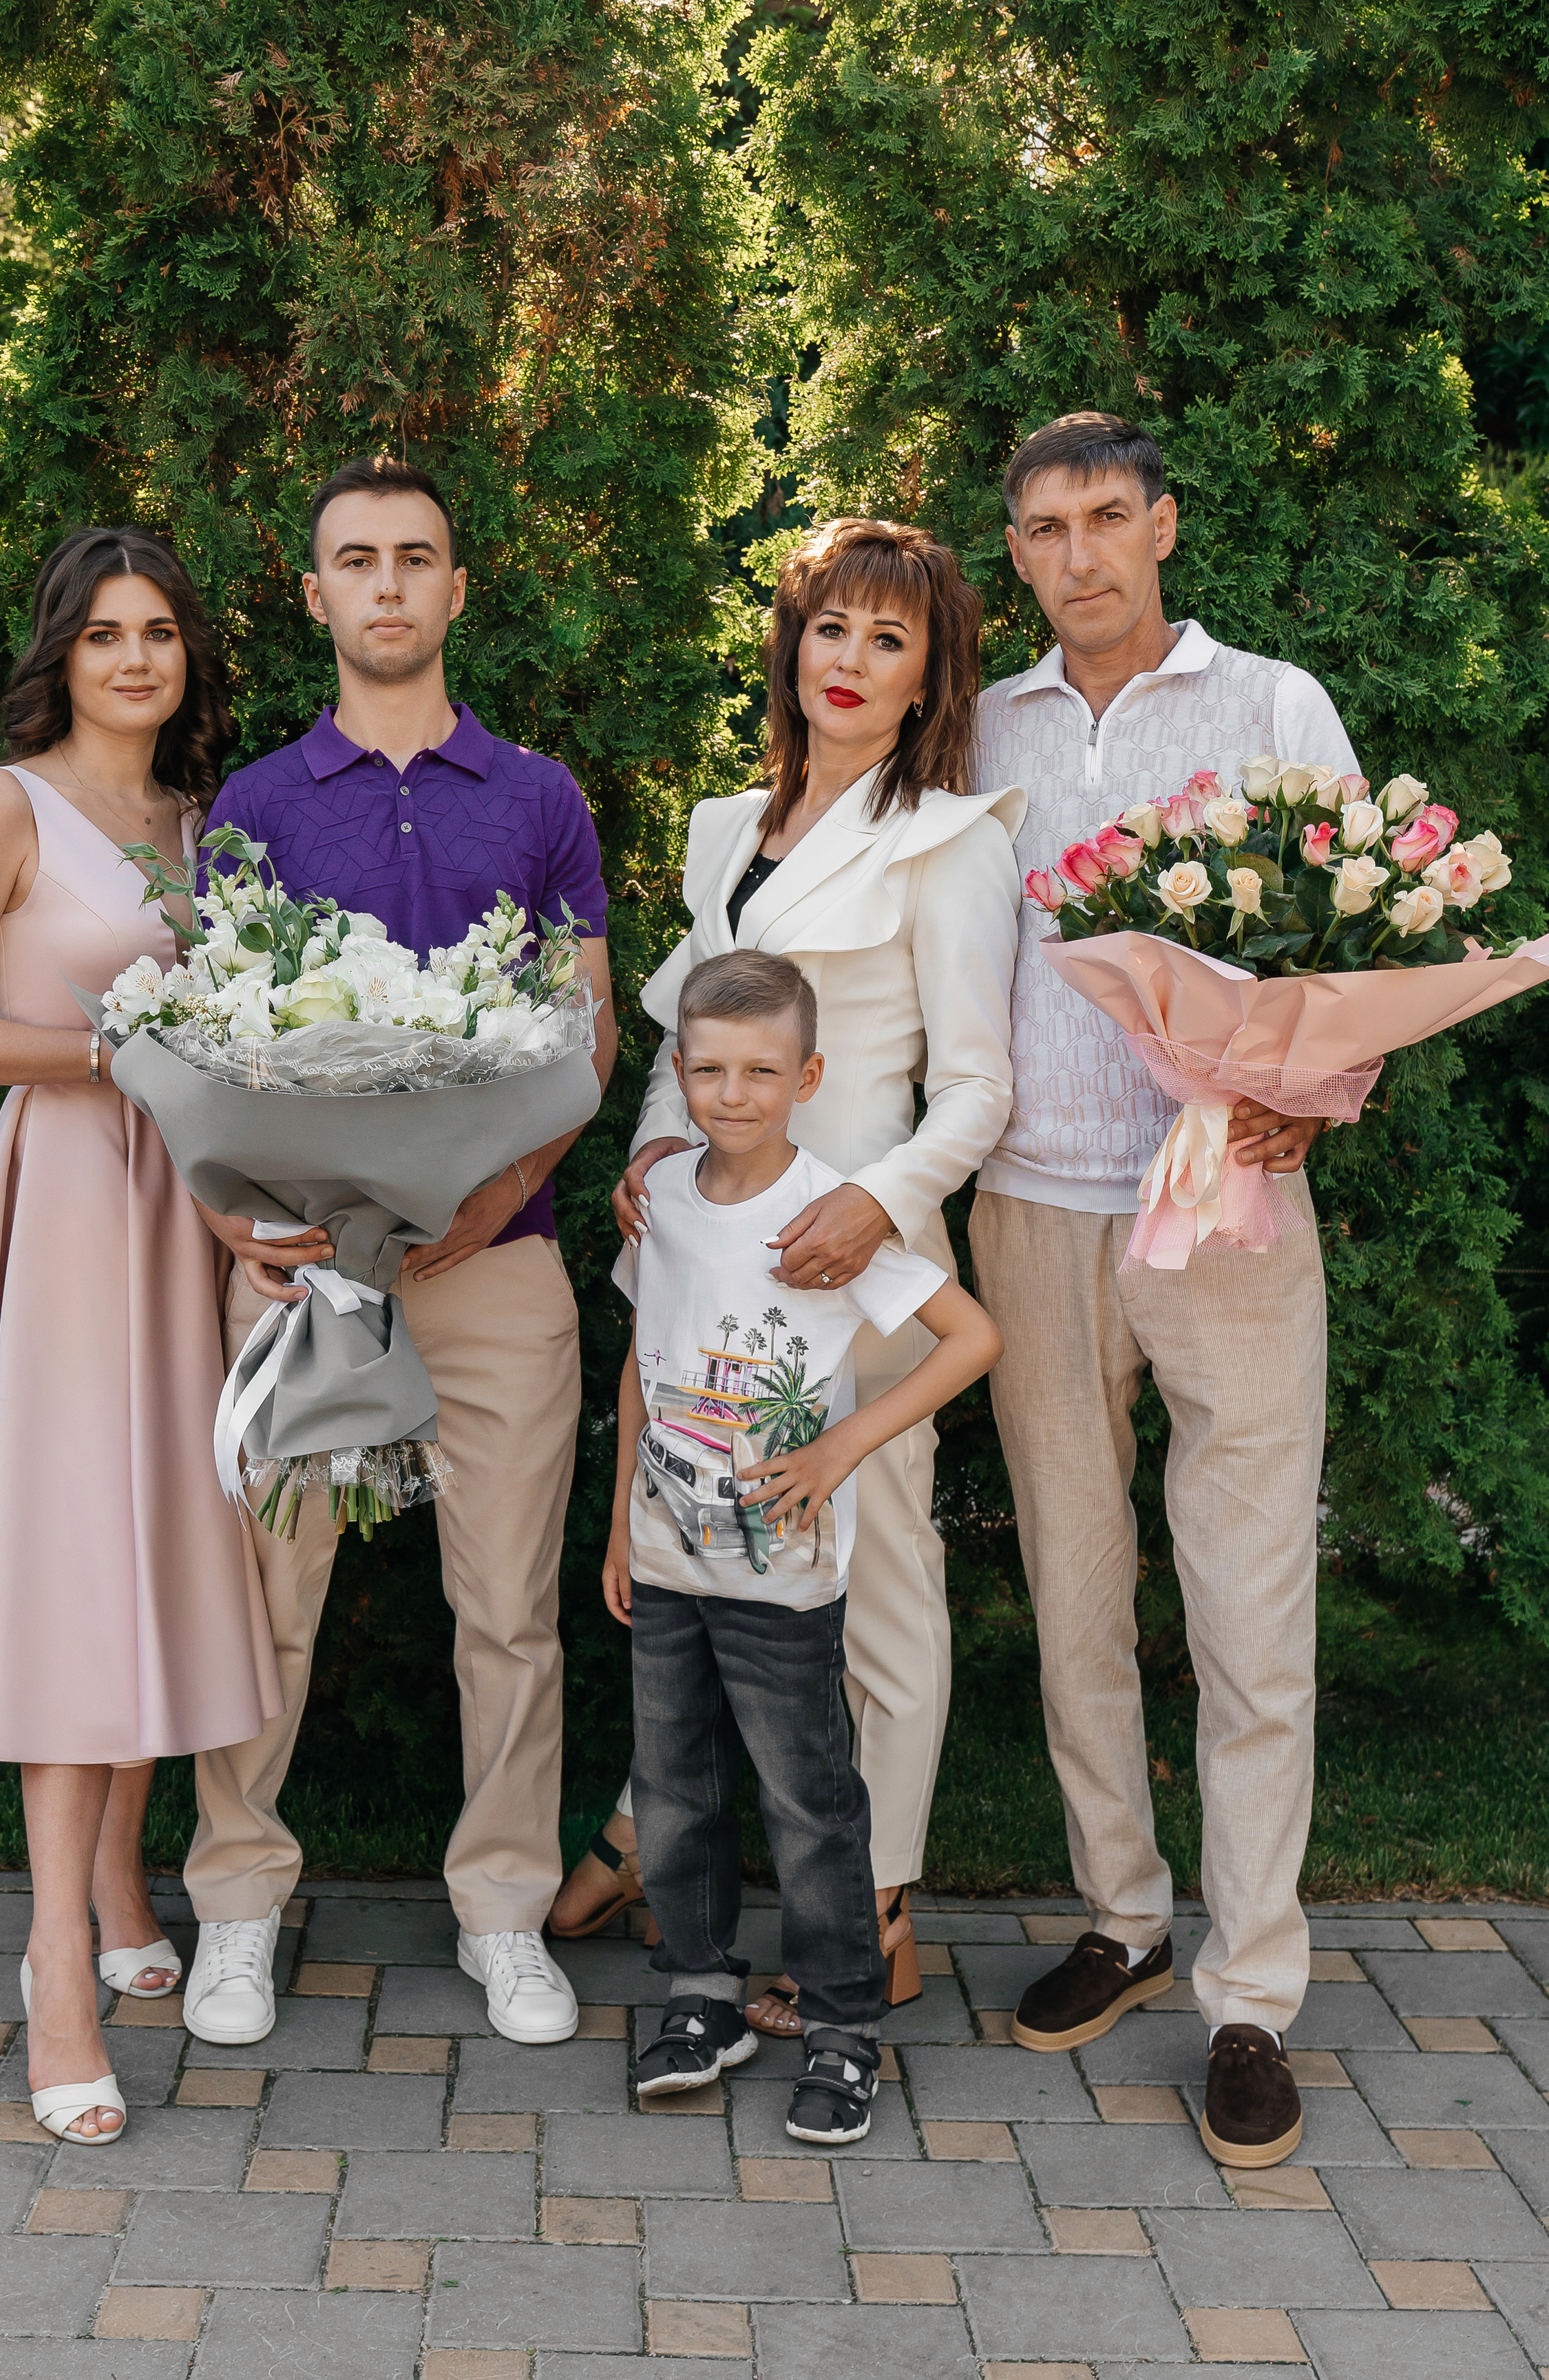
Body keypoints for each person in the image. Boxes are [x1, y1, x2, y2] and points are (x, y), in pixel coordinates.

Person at [181, 453, 618, 2049]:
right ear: (315, 597)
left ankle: (504, 1911)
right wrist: (246, 1218)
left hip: (496, 1265)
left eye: (412, 557)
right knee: (266, 1595)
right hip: (303, 1266)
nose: (384, 583)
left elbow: (588, 1035)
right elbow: (213, 1045)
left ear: (452, 588)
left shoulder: (540, 797)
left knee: (504, 1608)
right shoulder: (252, 808)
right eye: (353, 560)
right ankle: (237, 1901)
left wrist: (487, 1208)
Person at [969, 410, 1362, 2169]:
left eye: (1106, 518)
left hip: (1225, 1218)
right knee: (1071, 1588)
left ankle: (1251, 1993)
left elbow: (1359, 948)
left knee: (1245, 1606)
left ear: (1163, 527)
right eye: (1044, 528)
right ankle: (1121, 1915)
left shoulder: (1269, 709)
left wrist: (1299, 1097)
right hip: (1032, 1209)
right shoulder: (973, 731)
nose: (1078, 556)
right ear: (1016, 551)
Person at [567, 517, 1022, 2035]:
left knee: (870, 1580)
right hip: (710, 1244)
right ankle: (653, 1825)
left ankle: (876, 1912)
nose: (851, 661)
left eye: (889, 641)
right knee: (695, 1532)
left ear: (926, 679)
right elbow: (685, 1036)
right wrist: (646, 1152)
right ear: (792, 644)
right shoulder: (719, 828)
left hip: (857, 1265)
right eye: (832, 628)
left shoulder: (949, 840)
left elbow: (973, 1090)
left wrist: (876, 1210)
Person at [0, 528, 283, 2147]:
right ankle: (55, 1962)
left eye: (161, 634)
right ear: (64, 650)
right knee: (76, 1568)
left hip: (187, 1214)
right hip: (68, 1211)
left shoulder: (204, 825)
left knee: (169, 1548)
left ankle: (120, 1872)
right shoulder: (5, 805)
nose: (136, 659)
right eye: (107, 633)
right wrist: (106, 1054)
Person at [607, 951, 1002, 2140]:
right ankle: (703, 1996)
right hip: (667, 1556)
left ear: (808, 1076)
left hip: (784, 1572)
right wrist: (618, 1522)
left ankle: (841, 2025)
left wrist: (838, 1453)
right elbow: (644, 1353)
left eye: (762, 1072)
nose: (733, 1094)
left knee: (808, 1802)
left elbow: (970, 1339)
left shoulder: (830, 1214)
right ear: (678, 1073)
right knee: (675, 1795)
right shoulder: (663, 1196)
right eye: (711, 1069)